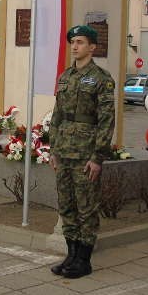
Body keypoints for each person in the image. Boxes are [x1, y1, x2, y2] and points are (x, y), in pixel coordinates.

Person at [49, 25, 115, 279]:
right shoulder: (65, 77)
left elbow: (106, 120)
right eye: (72, 42)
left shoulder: (101, 78)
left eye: (80, 42)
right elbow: (56, 116)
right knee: (67, 205)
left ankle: (84, 260)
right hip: (64, 151)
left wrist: (98, 157)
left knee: (87, 207)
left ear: (92, 47)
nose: (74, 46)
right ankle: (71, 254)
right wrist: (54, 149)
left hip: (86, 154)